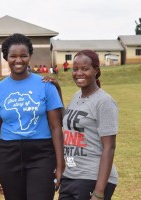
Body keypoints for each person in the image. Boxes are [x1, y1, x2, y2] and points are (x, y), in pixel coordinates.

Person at [0, 33, 65, 200]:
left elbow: (56, 127)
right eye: (13, 56)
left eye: (23, 55)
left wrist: (60, 164)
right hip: (9, 155)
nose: (18, 60)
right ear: (6, 57)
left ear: (30, 56)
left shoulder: (46, 86)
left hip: (42, 154)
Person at [45, 50, 118, 200]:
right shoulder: (77, 96)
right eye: (75, 69)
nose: (79, 73)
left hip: (92, 177)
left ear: (96, 71)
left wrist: (98, 192)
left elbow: (109, 147)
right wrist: (57, 90)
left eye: (85, 69)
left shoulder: (104, 102)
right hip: (71, 175)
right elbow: (66, 119)